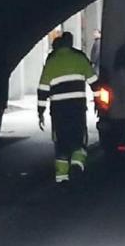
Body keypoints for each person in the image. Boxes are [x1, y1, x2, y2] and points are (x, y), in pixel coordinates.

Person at [38, 32, 98, 184]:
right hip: (77, 110)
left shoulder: (51, 62)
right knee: (79, 141)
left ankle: (62, 179)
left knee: (61, 144)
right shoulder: (80, 59)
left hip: (58, 111)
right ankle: (77, 165)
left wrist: (41, 112)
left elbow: (42, 90)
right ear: (70, 44)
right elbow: (94, 83)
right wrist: (98, 102)